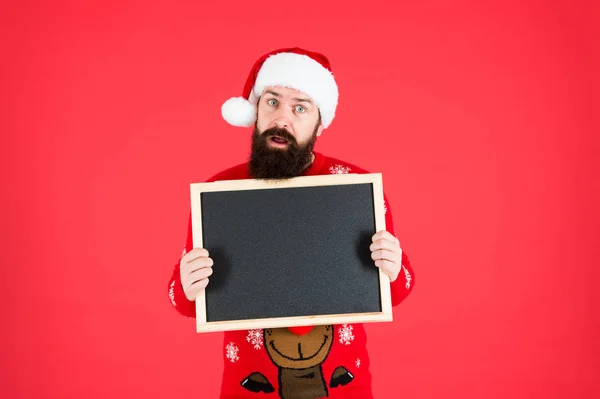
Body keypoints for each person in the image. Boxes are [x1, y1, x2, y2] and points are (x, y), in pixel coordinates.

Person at [167, 47, 415, 399]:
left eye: (300, 107)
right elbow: (181, 300)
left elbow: (400, 287)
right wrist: (186, 282)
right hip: (248, 389)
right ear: (255, 110)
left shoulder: (354, 188)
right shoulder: (219, 193)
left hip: (345, 387)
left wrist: (394, 266)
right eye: (272, 102)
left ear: (319, 123)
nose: (282, 118)